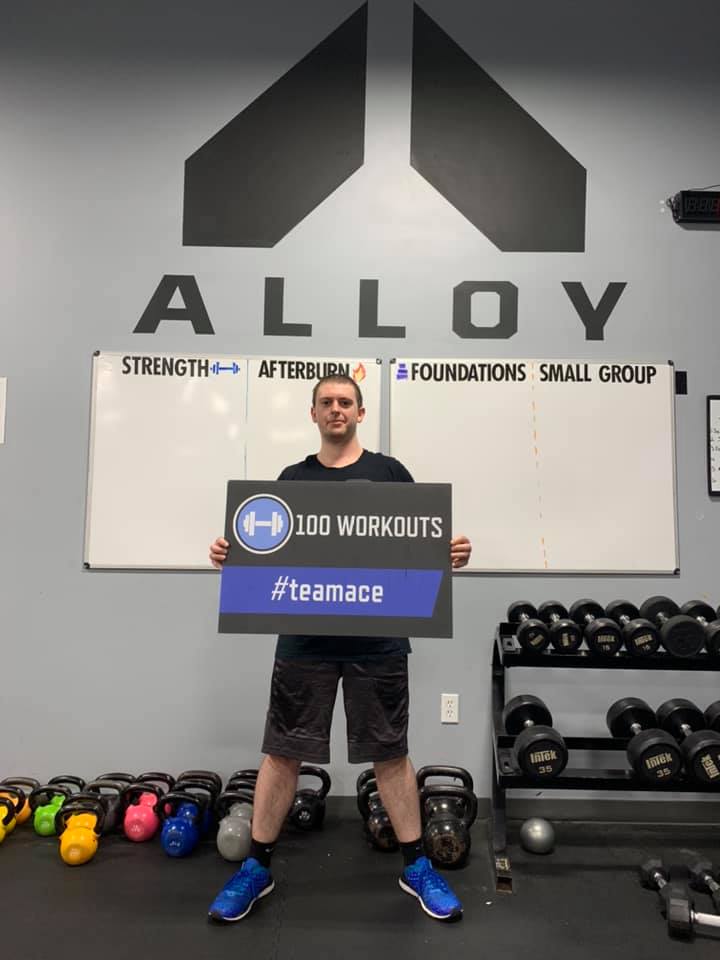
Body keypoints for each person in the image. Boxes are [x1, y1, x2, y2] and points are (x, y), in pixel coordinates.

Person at [207, 374, 472, 924]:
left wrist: (449, 553)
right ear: (313, 413)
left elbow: (420, 545)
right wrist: (233, 556)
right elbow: (266, 554)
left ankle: (417, 867)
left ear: (360, 412)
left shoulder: (390, 474)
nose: (336, 409)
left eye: (345, 402)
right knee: (283, 751)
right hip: (304, 638)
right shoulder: (292, 479)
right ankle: (256, 867)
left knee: (390, 753)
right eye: (326, 402)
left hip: (378, 638)